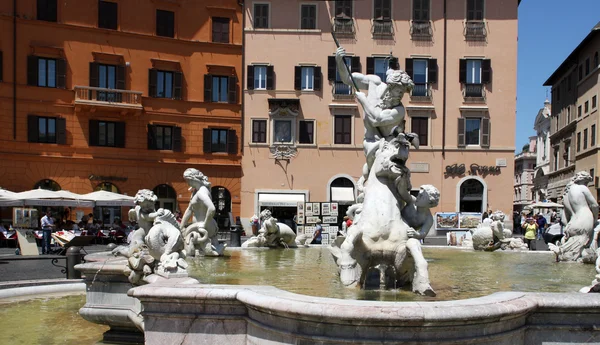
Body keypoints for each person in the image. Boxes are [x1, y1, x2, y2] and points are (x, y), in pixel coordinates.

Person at [335, 46, 416, 179]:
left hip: (388, 147)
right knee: (371, 172)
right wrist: (339, 61)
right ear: (391, 86)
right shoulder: (374, 83)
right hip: (371, 142)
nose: (400, 96)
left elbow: (376, 120)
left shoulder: (399, 110)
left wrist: (363, 100)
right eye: (399, 91)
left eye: (403, 93)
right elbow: (348, 79)